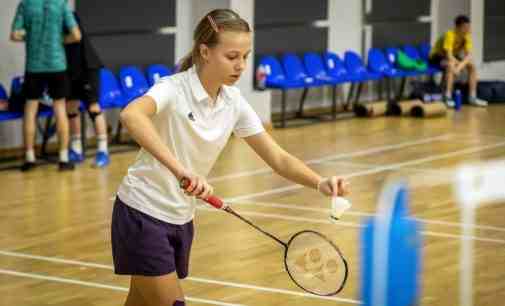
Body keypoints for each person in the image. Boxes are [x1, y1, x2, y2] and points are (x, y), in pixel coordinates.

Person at [111, 9, 350, 306]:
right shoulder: (173, 89)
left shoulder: (232, 102)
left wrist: (320, 182)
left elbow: (278, 158)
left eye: (245, 56)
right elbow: (131, 115)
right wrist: (181, 171)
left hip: (180, 217)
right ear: (205, 52)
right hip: (143, 212)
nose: (241, 66)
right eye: (232, 56)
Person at [10, 0, 82, 171]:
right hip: (57, 65)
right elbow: (76, 35)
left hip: (34, 66)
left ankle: (29, 158)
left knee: (30, 110)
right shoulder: (61, 4)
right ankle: (64, 159)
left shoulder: (26, 4)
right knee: (60, 109)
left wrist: (31, 36)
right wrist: (60, 39)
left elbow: (15, 35)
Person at [64, 12, 110, 168]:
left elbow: (76, 37)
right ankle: (76, 149)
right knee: (70, 106)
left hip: (87, 67)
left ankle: (103, 151)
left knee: (93, 108)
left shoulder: (68, 15)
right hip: (69, 69)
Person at [429, 15, 487, 108]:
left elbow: (469, 56)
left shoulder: (466, 36)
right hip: (437, 56)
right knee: (450, 65)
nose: (467, 29)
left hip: (453, 56)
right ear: (457, 27)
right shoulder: (449, 34)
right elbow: (448, 55)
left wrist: (459, 67)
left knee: (472, 65)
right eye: (465, 27)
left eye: (468, 27)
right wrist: (456, 67)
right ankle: (447, 97)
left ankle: (472, 97)